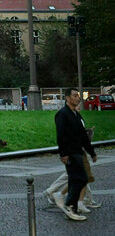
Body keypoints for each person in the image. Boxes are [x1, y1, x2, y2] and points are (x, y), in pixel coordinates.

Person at [54, 87, 97, 221]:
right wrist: (63, 154)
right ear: (67, 98)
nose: (78, 98)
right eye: (74, 96)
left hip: (78, 151)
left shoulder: (76, 115)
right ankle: (69, 205)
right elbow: (60, 135)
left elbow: (83, 137)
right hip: (71, 153)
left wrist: (91, 152)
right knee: (81, 179)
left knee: (75, 179)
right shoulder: (63, 114)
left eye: (78, 96)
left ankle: (71, 208)